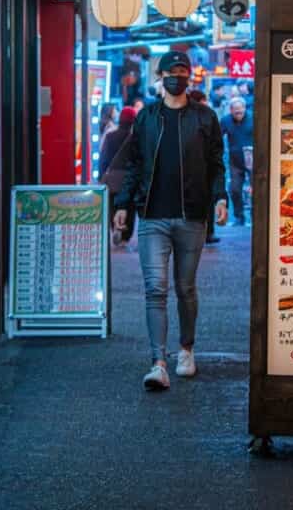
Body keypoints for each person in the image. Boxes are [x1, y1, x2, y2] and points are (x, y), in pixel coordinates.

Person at [114, 52, 228, 391]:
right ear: (160, 76)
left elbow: (216, 164)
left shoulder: (206, 118)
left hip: (192, 216)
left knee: (185, 288)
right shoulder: (146, 118)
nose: (178, 76)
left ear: (190, 76)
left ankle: (186, 350)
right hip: (153, 218)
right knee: (155, 290)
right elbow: (134, 165)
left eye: (183, 71)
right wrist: (123, 205)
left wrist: (219, 197)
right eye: (172, 71)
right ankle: (158, 362)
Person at [98, 106, 138, 246]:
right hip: (129, 177)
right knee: (130, 207)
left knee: (113, 206)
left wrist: (101, 177)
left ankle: (115, 228)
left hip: (113, 177)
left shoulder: (110, 136)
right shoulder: (135, 138)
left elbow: (104, 159)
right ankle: (126, 236)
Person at [189, 89, 220, 246]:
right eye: (202, 100)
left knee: (207, 202)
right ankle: (204, 233)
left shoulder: (208, 116)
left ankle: (207, 232)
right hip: (198, 170)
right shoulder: (201, 117)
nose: (205, 103)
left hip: (205, 169)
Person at [220, 96, 254, 226]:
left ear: (244, 109)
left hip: (253, 159)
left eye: (240, 111)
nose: (238, 114)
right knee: (234, 189)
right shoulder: (226, 120)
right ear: (231, 110)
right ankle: (239, 217)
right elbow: (217, 138)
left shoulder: (253, 118)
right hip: (235, 161)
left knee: (255, 190)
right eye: (236, 112)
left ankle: (254, 217)